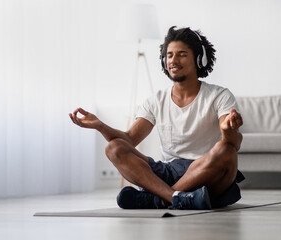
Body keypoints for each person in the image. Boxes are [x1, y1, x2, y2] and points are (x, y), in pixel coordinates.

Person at [69, 26, 245, 210]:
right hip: (167, 171)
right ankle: (176, 197)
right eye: (169, 55)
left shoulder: (220, 95)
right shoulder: (156, 100)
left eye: (182, 54)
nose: (173, 60)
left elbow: (234, 143)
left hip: (205, 171)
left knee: (226, 150)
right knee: (114, 148)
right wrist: (100, 126)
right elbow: (129, 140)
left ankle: (158, 198)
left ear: (199, 59)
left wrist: (227, 131)